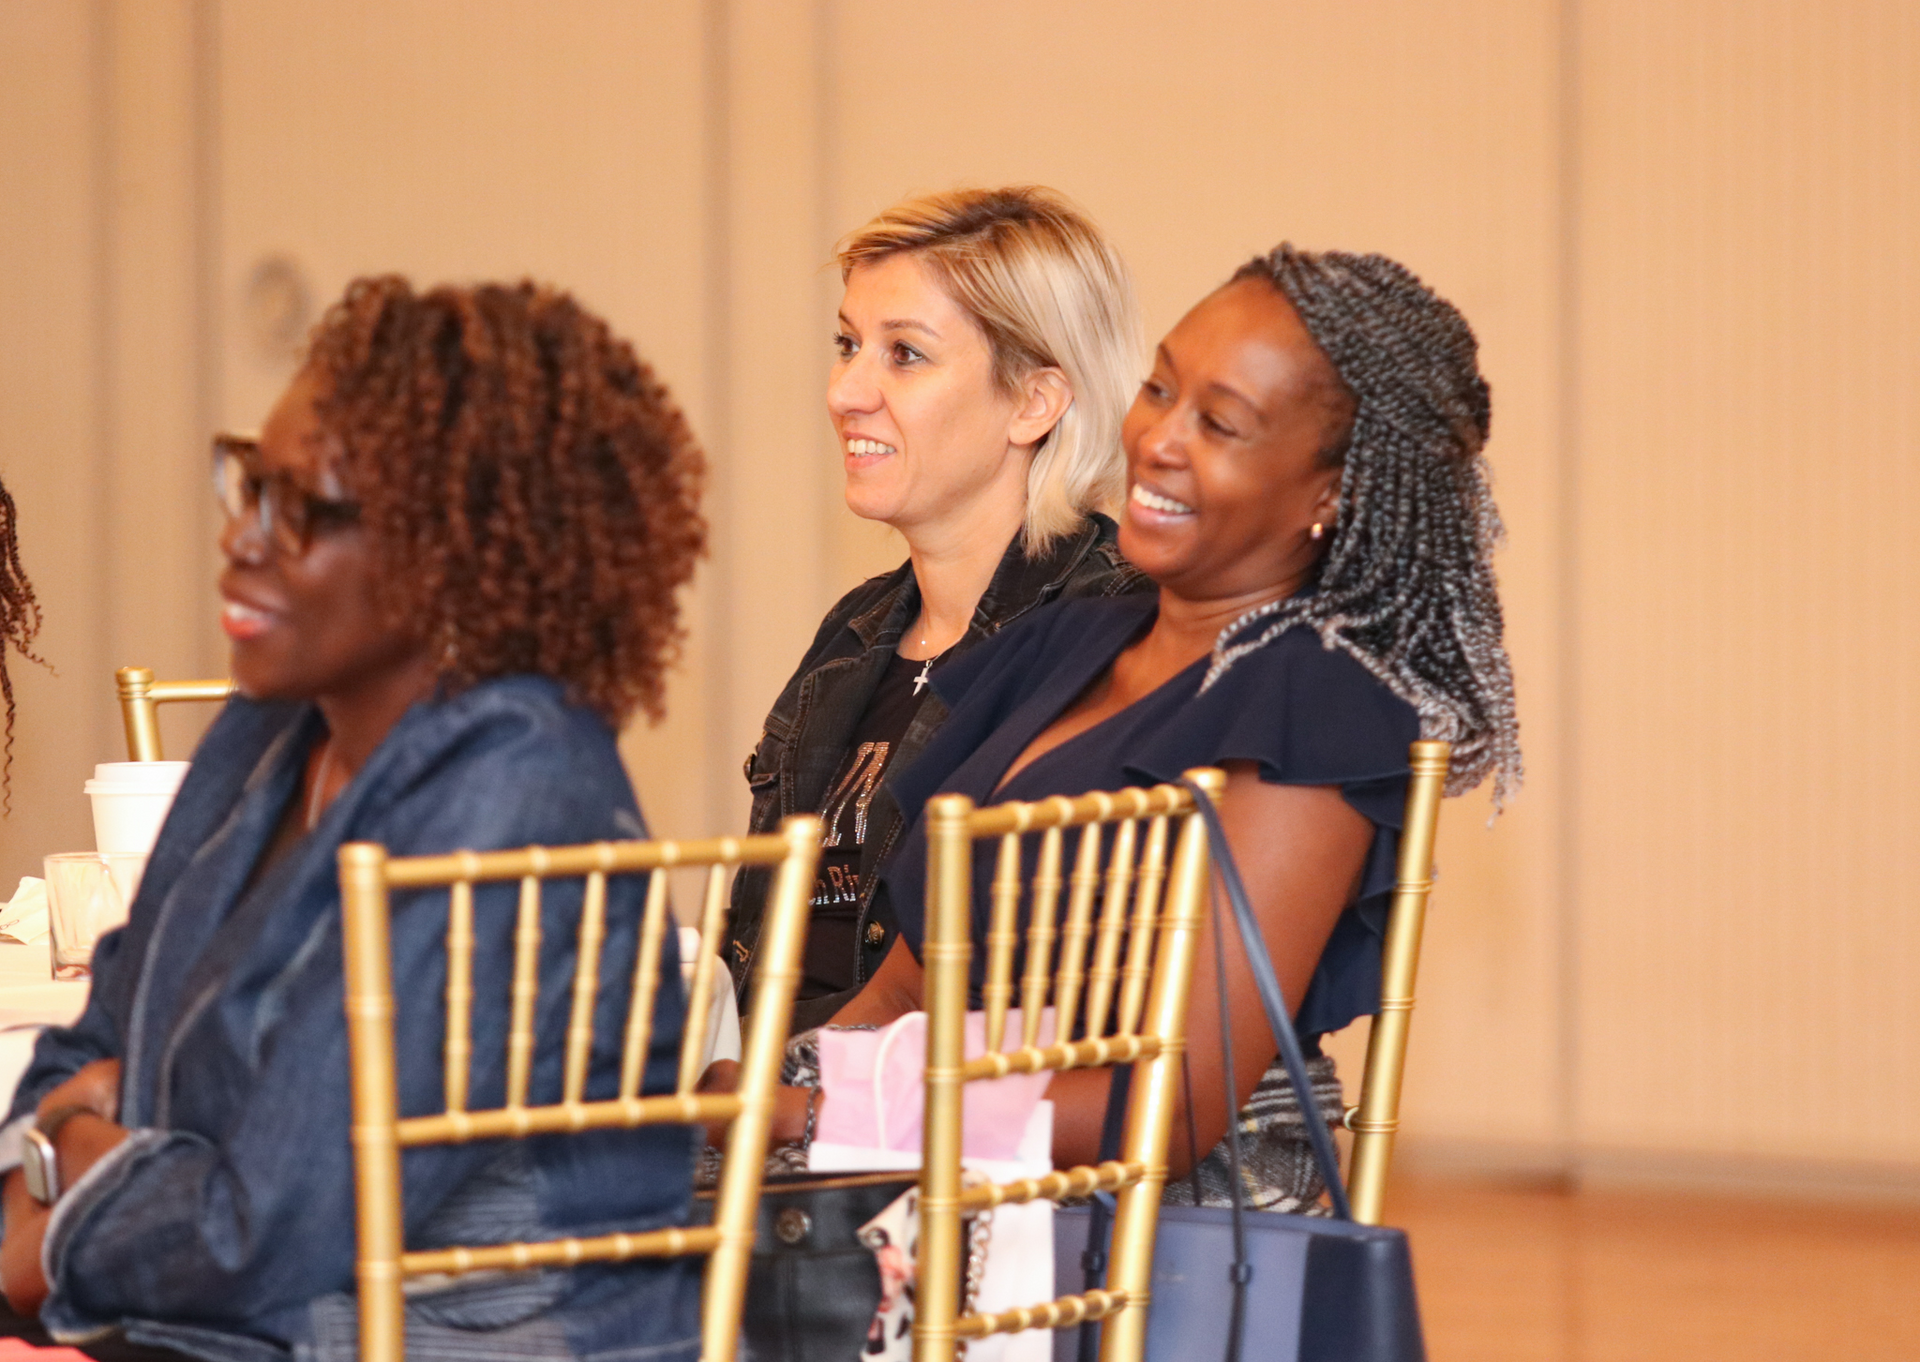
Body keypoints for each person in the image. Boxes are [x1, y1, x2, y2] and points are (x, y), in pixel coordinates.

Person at [0, 277, 708, 1358]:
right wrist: (69, 1134)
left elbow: (260, 1230)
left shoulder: (518, 791)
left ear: (458, 547)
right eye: (250, 485)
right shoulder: (270, 731)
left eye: (307, 511)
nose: (244, 540)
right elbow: (98, 1040)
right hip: (227, 1323)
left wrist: (52, 1210)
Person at [776, 245, 1522, 1211]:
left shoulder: (1312, 702)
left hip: (1151, 1252)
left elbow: (1168, 1112)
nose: (1159, 439)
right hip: (943, 1183)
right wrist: (776, 1089)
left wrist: (824, 1120)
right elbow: (904, 992)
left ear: (1330, 493)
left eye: (1221, 423)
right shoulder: (1057, 645)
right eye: (1159, 388)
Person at [724, 187, 1148, 1032]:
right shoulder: (855, 631)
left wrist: (780, 1093)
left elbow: (1036, 996)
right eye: (847, 345)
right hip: (785, 1112)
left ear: (1035, 401)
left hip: (947, 1130)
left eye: (904, 355)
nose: (847, 391)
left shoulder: (1119, 630)